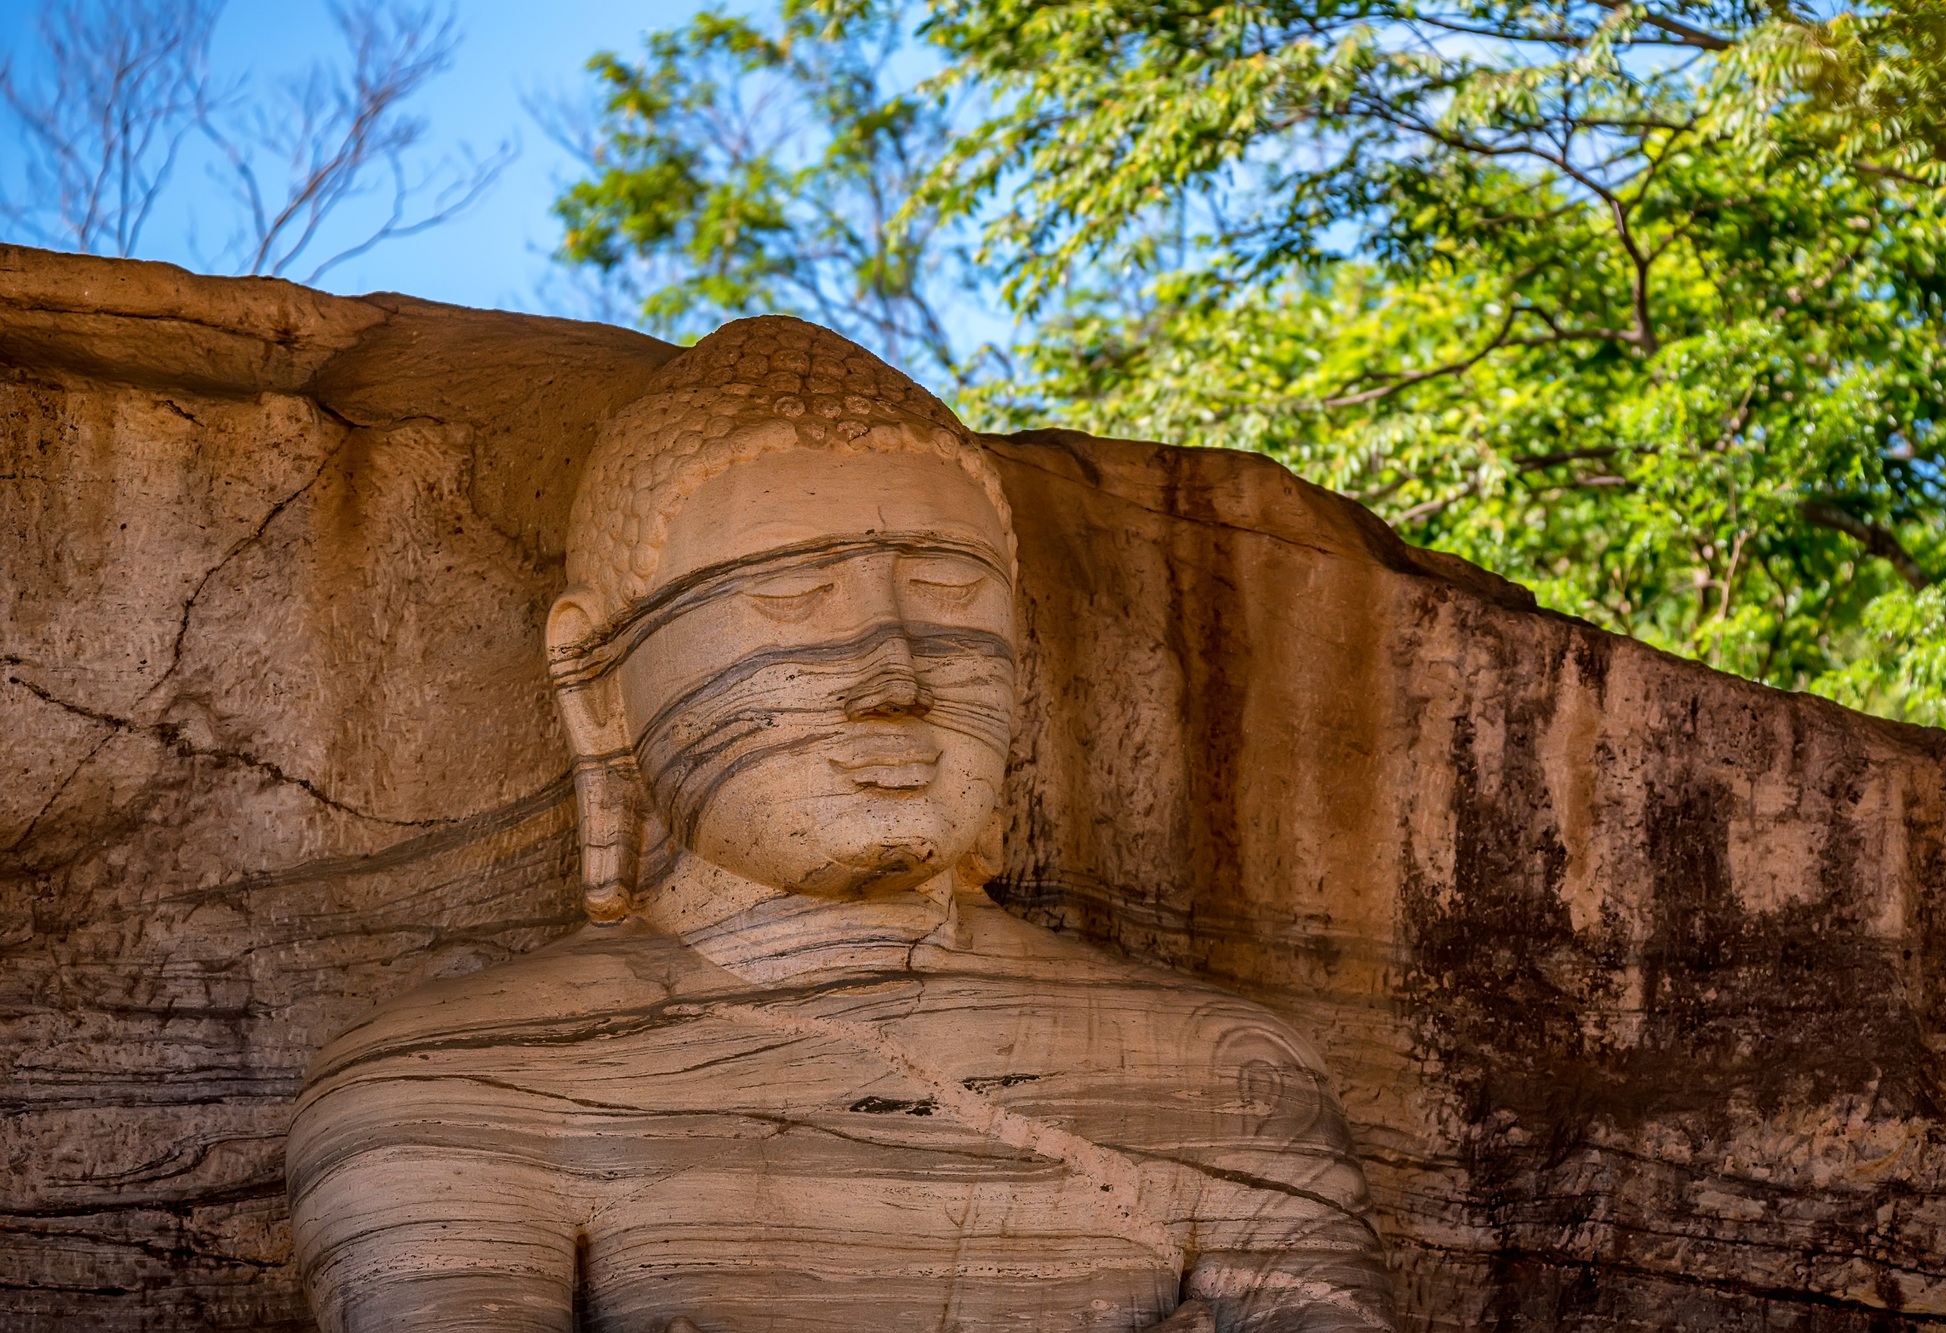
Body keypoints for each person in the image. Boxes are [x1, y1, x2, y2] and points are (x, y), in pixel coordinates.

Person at [286, 316, 1396, 1333]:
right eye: (786, 597)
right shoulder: (449, 1093)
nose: (892, 673)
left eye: (947, 591)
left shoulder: (1225, 1082)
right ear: (594, 679)